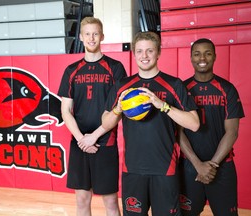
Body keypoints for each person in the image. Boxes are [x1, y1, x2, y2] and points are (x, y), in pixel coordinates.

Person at [81, 31, 200, 216]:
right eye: (139, 51)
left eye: (150, 51)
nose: (144, 56)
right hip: (133, 169)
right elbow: (106, 122)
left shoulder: (174, 84)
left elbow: (194, 124)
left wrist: (163, 106)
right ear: (134, 54)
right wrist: (118, 109)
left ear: (158, 53)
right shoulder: (123, 86)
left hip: (164, 168)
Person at [58, 17, 127, 216]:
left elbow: (118, 109)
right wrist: (82, 139)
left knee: (111, 202)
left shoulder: (115, 68)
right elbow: (65, 111)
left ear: (102, 36)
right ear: (81, 37)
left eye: (95, 33)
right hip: (79, 144)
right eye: (87, 33)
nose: (91, 37)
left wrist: (94, 136)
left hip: (105, 142)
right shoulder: (71, 71)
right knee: (81, 200)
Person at [178, 38, 245, 215]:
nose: (203, 58)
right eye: (197, 53)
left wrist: (212, 165)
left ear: (214, 56)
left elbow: (232, 132)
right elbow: (178, 133)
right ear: (191, 58)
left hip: (222, 166)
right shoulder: (182, 89)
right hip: (189, 167)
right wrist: (198, 164)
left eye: (208, 53)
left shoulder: (227, 89)